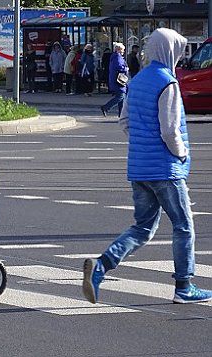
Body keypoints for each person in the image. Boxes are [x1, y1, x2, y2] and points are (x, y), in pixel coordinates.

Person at [83, 28, 212, 305]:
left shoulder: (138, 80)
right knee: (184, 226)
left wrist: (143, 145)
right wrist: (182, 153)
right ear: (170, 50)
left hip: (140, 168)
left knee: (143, 227)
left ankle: (101, 265)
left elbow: (125, 121)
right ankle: (184, 286)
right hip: (165, 169)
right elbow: (169, 129)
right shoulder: (168, 83)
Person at [101, 43, 128, 117]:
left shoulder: (115, 57)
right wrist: (126, 69)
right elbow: (120, 67)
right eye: (123, 50)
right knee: (121, 96)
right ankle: (106, 107)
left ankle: (121, 114)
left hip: (116, 79)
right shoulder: (117, 57)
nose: (124, 51)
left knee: (122, 98)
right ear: (118, 49)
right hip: (118, 80)